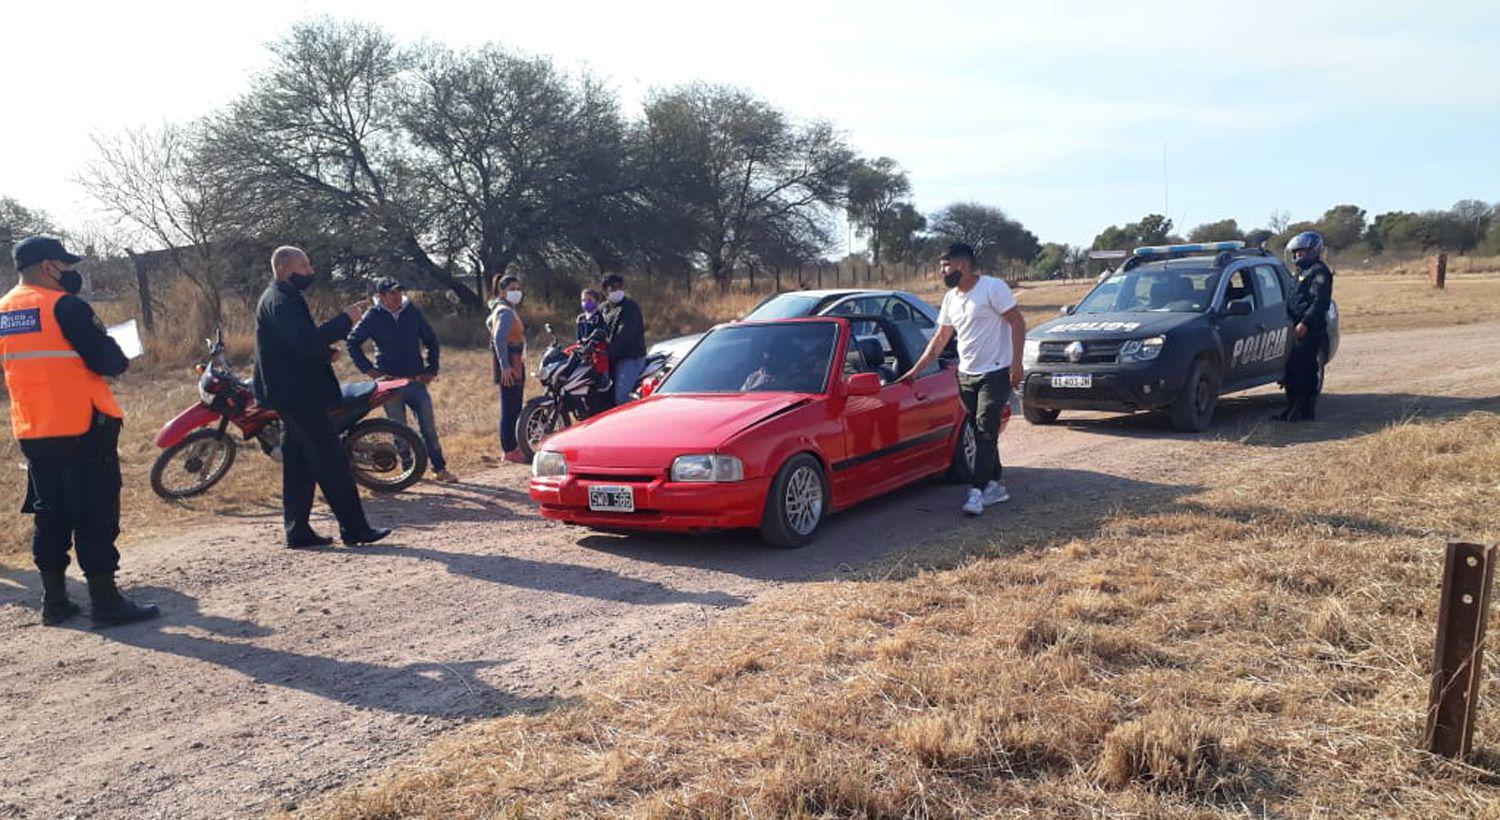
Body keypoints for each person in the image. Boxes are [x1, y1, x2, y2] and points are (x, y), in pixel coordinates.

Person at [0, 236, 159, 627]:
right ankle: (105, 603)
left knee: (49, 512)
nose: (71, 272)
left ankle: (54, 603)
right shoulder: (65, 306)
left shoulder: (4, 309)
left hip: (33, 428)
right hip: (82, 426)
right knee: (94, 513)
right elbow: (108, 361)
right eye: (66, 265)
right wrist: (119, 352)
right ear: (48, 267)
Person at [254, 246, 391, 548]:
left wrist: (324, 352)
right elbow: (303, 339)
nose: (310, 270)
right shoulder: (280, 300)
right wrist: (345, 320)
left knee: (299, 462)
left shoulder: (281, 297)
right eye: (305, 266)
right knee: (331, 460)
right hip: (299, 395)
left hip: (291, 393)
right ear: (287, 269)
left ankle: (298, 530)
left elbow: (292, 344)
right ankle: (355, 529)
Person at [899, 242, 1026, 516]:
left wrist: (1016, 364)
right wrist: (916, 371)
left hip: (995, 371)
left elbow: (1018, 322)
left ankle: (977, 491)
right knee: (980, 429)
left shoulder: (992, 288)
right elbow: (941, 338)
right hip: (966, 373)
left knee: (985, 428)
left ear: (962, 265)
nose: (942, 271)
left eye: (946, 266)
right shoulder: (951, 299)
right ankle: (994, 483)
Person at [347, 278, 456, 482]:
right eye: (392, 293)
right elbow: (352, 344)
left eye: (399, 291)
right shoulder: (372, 316)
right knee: (399, 429)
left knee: (429, 428)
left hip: (415, 381)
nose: (397, 296)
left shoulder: (411, 311)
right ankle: (410, 471)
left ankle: (440, 469)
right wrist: (371, 372)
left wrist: (431, 369)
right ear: (381, 296)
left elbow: (431, 340)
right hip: (389, 383)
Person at [1276, 230, 1334, 422]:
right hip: (1296, 326)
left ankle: (1305, 410)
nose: (1298, 255)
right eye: (1296, 252)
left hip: (1309, 329)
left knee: (1303, 370)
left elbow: (1319, 302)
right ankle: (1292, 408)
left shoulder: (1319, 272)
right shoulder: (1301, 272)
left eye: (1303, 252)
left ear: (1314, 251)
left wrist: (1304, 323)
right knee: (1293, 370)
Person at [487, 275, 528, 463]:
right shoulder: (505, 312)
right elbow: (498, 338)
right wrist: (506, 366)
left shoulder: (500, 308)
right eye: (512, 288)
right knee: (510, 406)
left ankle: (512, 447)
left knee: (512, 404)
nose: (516, 292)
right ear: (503, 291)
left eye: (517, 288)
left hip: (513, 360)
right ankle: (510, 449)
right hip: (511, 361)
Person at [599, 274, 646, 406]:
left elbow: (624, 336)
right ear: (604, 292)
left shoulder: (630, 307)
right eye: (612, 288)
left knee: (622, 397)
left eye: (619, 287)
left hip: (629, 356)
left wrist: (608, 354)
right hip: (608, 356)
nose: (617, 290)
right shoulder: (602, 309)